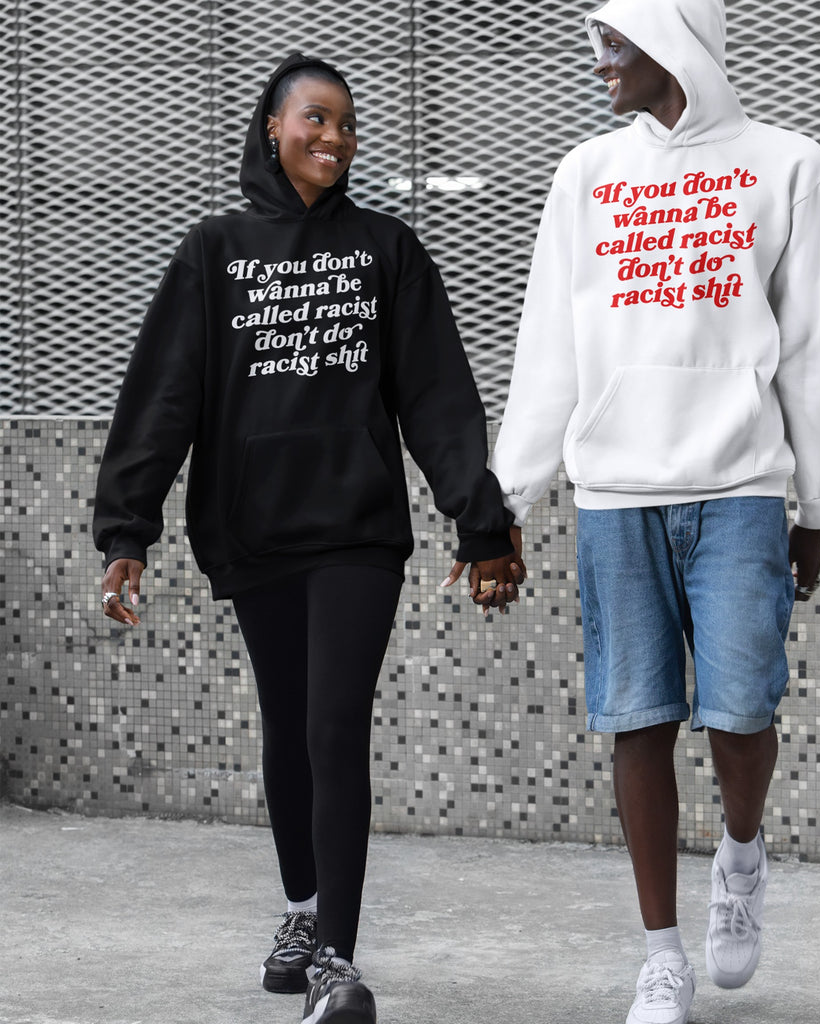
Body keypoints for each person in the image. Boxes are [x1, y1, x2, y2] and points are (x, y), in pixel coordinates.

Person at [93, 54, 523, 1024]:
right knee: (287, 725)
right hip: (254, 529)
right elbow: (164, 396)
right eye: (315, 120)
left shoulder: (386, 248)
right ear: (272, 127)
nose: (333, 138)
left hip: (357, 532)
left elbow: (436, 396)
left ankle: (336, 957)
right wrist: (128, 526)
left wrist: (479, 517)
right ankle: (298, 909)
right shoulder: (215, 252)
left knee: (334, 725)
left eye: (346, 124)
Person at [490, 1, 820, 1021]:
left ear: (675, 43)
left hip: (739, 484)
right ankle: (661, 953)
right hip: (614, 490)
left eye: (617, 42)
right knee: (635, 718)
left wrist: (812, 500)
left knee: (742, 713)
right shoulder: (586, 175)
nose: (599, 61)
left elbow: (816, 342)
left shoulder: (787, 165)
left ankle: (740, 855)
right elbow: (547, 346)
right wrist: (508, 495)